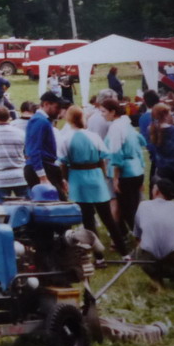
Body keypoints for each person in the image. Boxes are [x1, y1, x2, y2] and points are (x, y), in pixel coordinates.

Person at [60, 106, 128, 265]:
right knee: (108, 218)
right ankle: (124, 253)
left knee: (88, 220)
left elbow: (63, 163)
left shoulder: (66, 138)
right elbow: (103, 159)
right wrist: (102, 176)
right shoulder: (93, 136)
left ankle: (99, 258)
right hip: (96, 176)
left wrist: (65, 180)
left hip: (77, 179)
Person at [101, 98, 146, 235]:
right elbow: (141, 142)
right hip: (137, 170)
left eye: (104, 111)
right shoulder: (127, 124)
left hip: (126, 174)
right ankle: (140, 235)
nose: (102, 115)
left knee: (128, 211)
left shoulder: (116, 127)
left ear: (112, 112)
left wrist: (115, 178)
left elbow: (116, 154)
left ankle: (141, 239)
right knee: (135, 207)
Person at [24, 92, 67, 199]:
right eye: (57, 107)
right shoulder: (39, 121)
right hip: (41, 167)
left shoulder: (43, 121)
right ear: (46, 104)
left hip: (47, 167)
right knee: (55, 203)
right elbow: (34, 150)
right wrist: (42, 176)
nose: (59, 111)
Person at [0, 105, 28, 204]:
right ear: (9, 117)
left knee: (1, 210)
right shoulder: (21, 133)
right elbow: (26, 153)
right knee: (26, 207)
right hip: (20, 176)